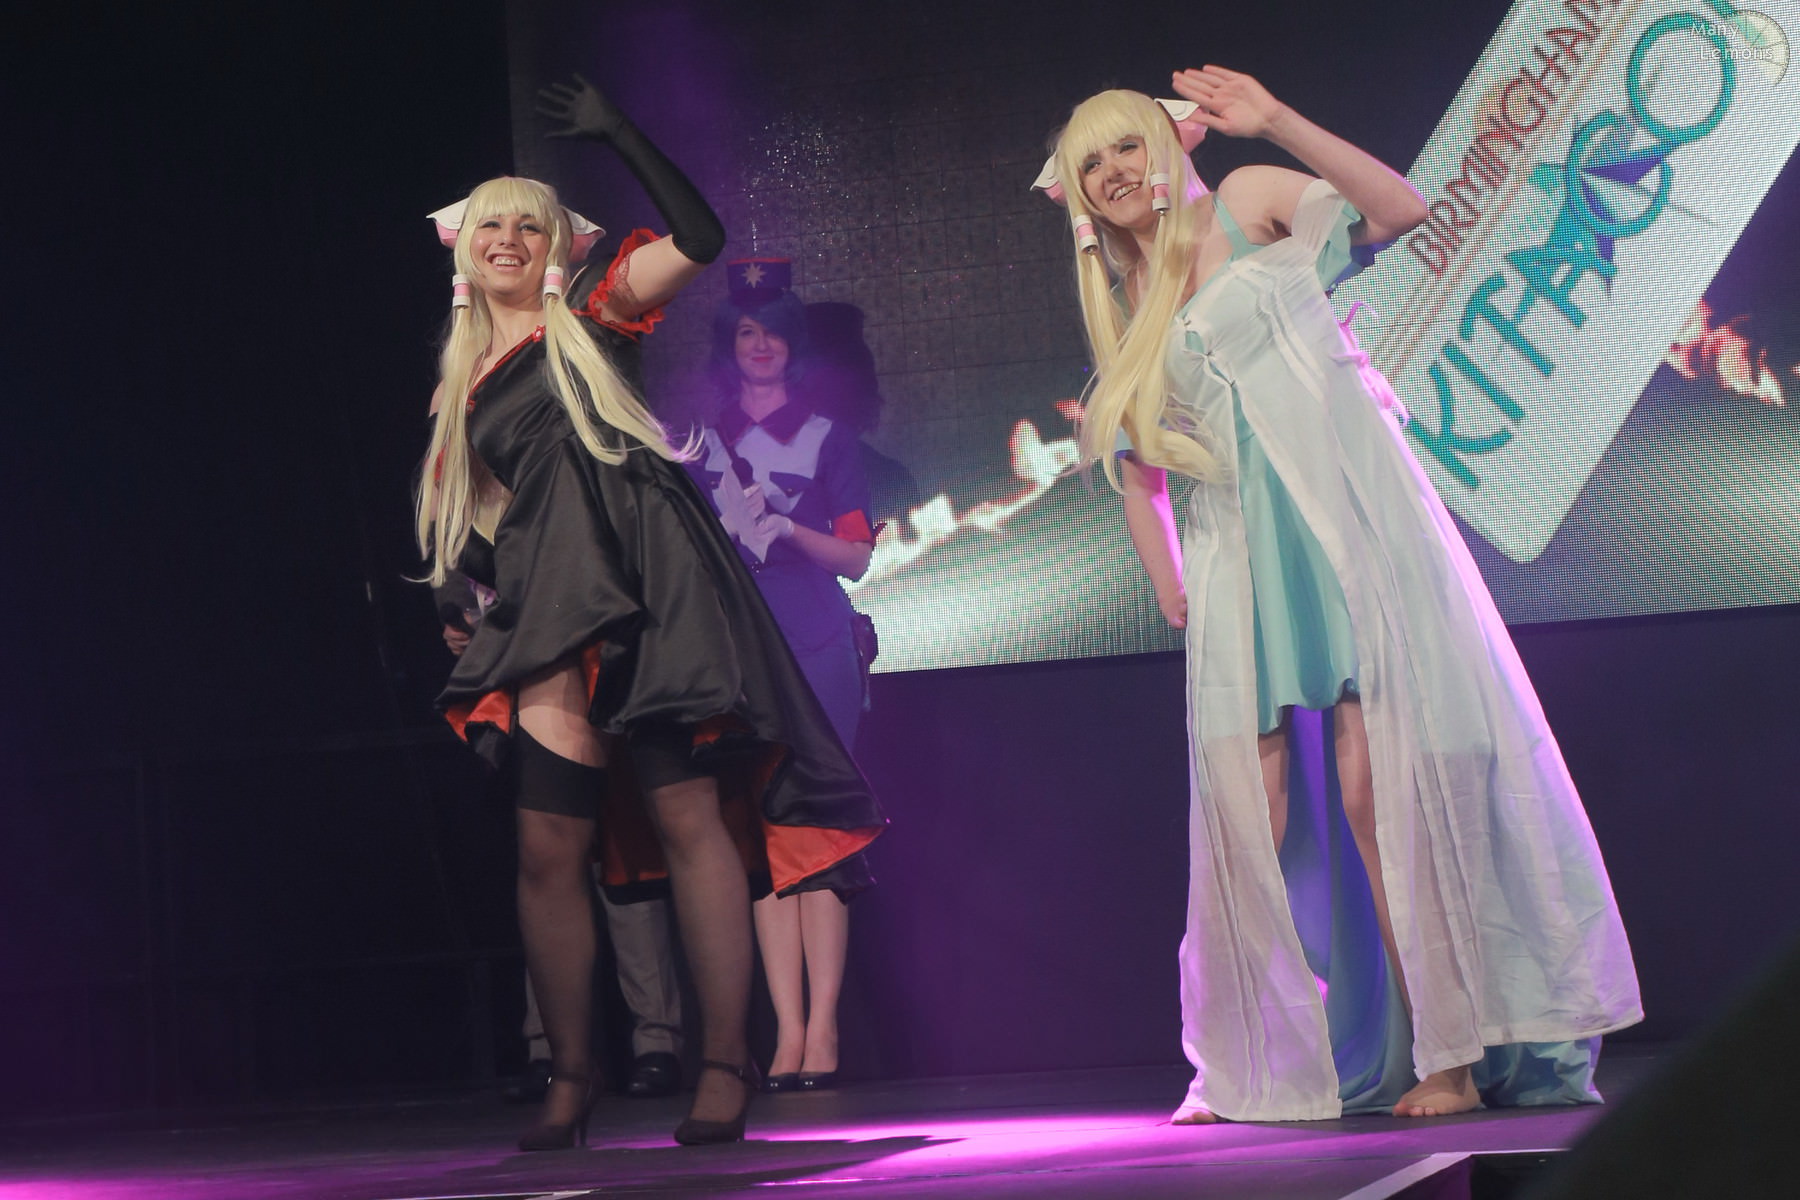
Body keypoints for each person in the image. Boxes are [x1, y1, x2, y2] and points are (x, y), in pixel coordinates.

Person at [1037, 72, 1641, 1123]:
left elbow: (1398, 209)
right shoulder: (1129, 306)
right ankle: (1244, 1064)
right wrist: (1171, 584)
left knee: (1379, 798)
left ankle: (1449, 1056)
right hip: (1244, 568)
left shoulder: (1246, 201)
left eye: (1127, 145)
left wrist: (1272, 120)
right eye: (1092, 163)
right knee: (1249, 811)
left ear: (1168, 146)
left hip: (1347, 537)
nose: (1114, 171)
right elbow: (1139, 472)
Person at [417, 76, 884, 1151]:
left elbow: (701, 238)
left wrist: (618, 131)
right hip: (549, 604)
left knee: (687, 819)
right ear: (463, 252)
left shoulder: (594, 315)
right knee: (548, 843)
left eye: (528, 226)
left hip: (654, 587)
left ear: (556, 249)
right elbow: (466, 521)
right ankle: (572, 1079)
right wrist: (460, 600)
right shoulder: (458, 385)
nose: (508, 239)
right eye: (490, 225)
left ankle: (722, 1068)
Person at [687, 262, 877, 1092]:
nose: (760, 346)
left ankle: (823, 1026)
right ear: (729, 347)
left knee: (819, 828)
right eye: (745, 332)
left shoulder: (830, 437)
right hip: (740, 647)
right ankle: (785, 1030)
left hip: (819, 639)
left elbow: (858, 557)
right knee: (760, 834)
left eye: (772, 332)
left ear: (794, 345)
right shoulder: (703, 442)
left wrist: (787, 528)